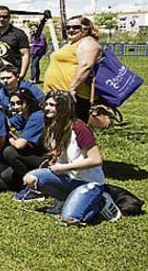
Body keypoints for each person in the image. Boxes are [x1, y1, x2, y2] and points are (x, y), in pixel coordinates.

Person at [21, 91, 119, 225]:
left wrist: (64, 167)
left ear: (63, 108)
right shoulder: (53, 126)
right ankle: (66, 199)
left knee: (69, 219)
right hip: (67, 177)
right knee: (30, 179)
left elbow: (96, 160)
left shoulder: (80, 129)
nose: (47, 108)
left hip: (88, 181)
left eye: (52, 105)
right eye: (46, 104)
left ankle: (100, 202)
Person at [44, 15, 101, 122]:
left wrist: (72, 88)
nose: (71, 30)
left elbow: (85, 66)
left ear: (86, 28)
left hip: (75, 97)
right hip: (62, 95)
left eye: (75, 27)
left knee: (73, 130)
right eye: (68, 27)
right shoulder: (73, 44)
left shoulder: (88, 42)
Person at [2, 88, 47, 191]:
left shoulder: (37, 116)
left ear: (29, 101)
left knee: (9, 152)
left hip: (45, 159)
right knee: (6, 176)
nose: (16, 107)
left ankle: (32, 186)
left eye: (20, 103)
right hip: (31, 155)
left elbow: (19, 145)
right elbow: (7, 123)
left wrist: (10, 139)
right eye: (13, 104)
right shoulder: (22, 116)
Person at [0, 5, 30, 80]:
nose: (1, 19)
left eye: (4, 16)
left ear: (9, 17)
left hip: (13, 74)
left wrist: (22, 74)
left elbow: (25, 55)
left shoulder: (19, 34)